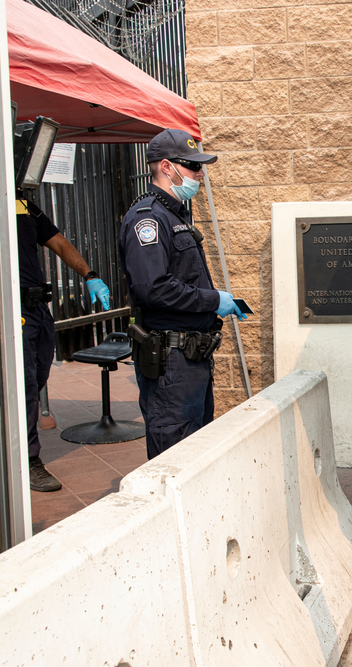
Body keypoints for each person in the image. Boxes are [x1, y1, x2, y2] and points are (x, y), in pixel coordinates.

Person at [0, 168, 112, 492]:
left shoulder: (23, 207)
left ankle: (13, 446)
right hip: (6, 314)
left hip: (38, 311)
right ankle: (28, 461)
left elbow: (58, 242)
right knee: (25, 388)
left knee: (38, 377)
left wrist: (89, 274)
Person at [118, 129, 246, 460]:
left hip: (191, 358)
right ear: (166, 166)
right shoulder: (147, 219)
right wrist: (214, 300)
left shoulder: (175, 215)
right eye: (191, 166)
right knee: (174, 456)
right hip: (170, 362)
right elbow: (153, 288)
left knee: (197, 451)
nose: (199, 173)